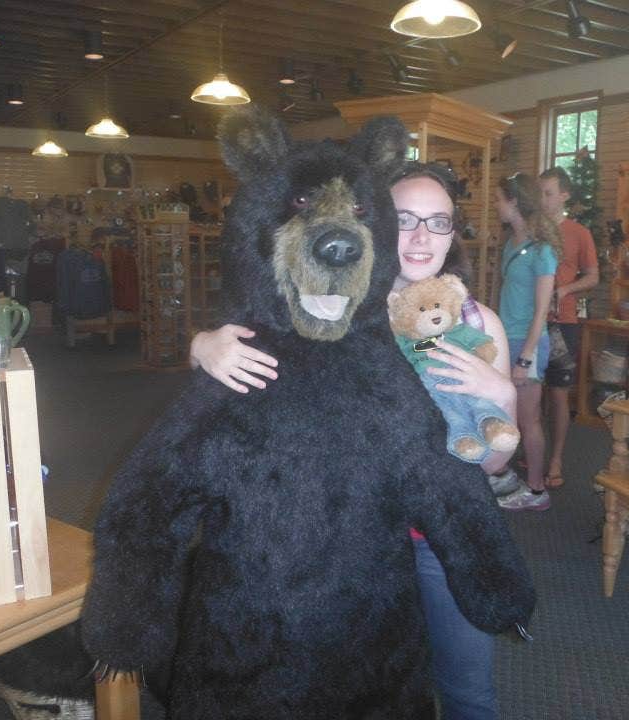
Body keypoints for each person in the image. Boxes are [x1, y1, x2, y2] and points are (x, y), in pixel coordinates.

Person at [190, 161, 518, 720]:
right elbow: (249, 380)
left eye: (438, 223)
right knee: (361, 686)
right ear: (375, 224)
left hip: (442, 535)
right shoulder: (330, 311)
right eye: (405, 218)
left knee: (467, 690)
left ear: (452, 235)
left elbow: (491, 466)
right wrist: (200, 345)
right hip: (349, 541)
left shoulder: (477, 324)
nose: (420, 237)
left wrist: (504, 399)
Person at [493, 173, 561, 512]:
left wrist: (525, 358)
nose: (496, 205)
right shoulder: (510, 243)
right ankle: (506, 475)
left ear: (515, 201)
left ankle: (536, 490)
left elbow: (541, 312)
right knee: (506, 414)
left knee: (528, 420)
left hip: (528, 344)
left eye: (499, 198)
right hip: (505, 339)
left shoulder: (542, 251)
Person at [538, 166, 599, 489]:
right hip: (529, 321)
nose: (543, 199)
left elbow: (593, 276)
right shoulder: (531, 230)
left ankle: (557, 456)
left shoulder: (579, 233)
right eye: (540, 193)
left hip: (563, 322)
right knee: (532, 393)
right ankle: (536, 449)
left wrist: (565, 290)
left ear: (564, 194)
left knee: (559, 394)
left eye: (549, 193)